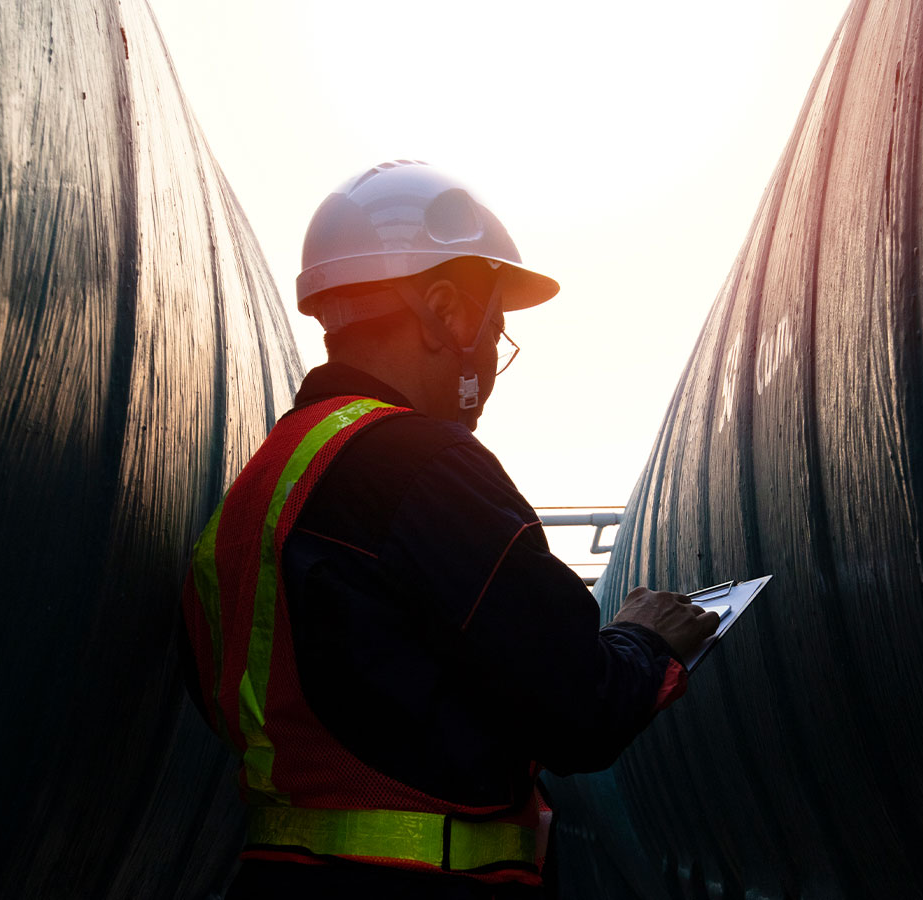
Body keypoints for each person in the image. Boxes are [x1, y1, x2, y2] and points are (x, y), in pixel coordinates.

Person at [179, 160, 719, 898]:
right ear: (447, 313)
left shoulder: (262, 485)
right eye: (493, 329)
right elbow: (578, 709)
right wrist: (646, 639)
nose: (492, 359)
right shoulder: (420, 463)